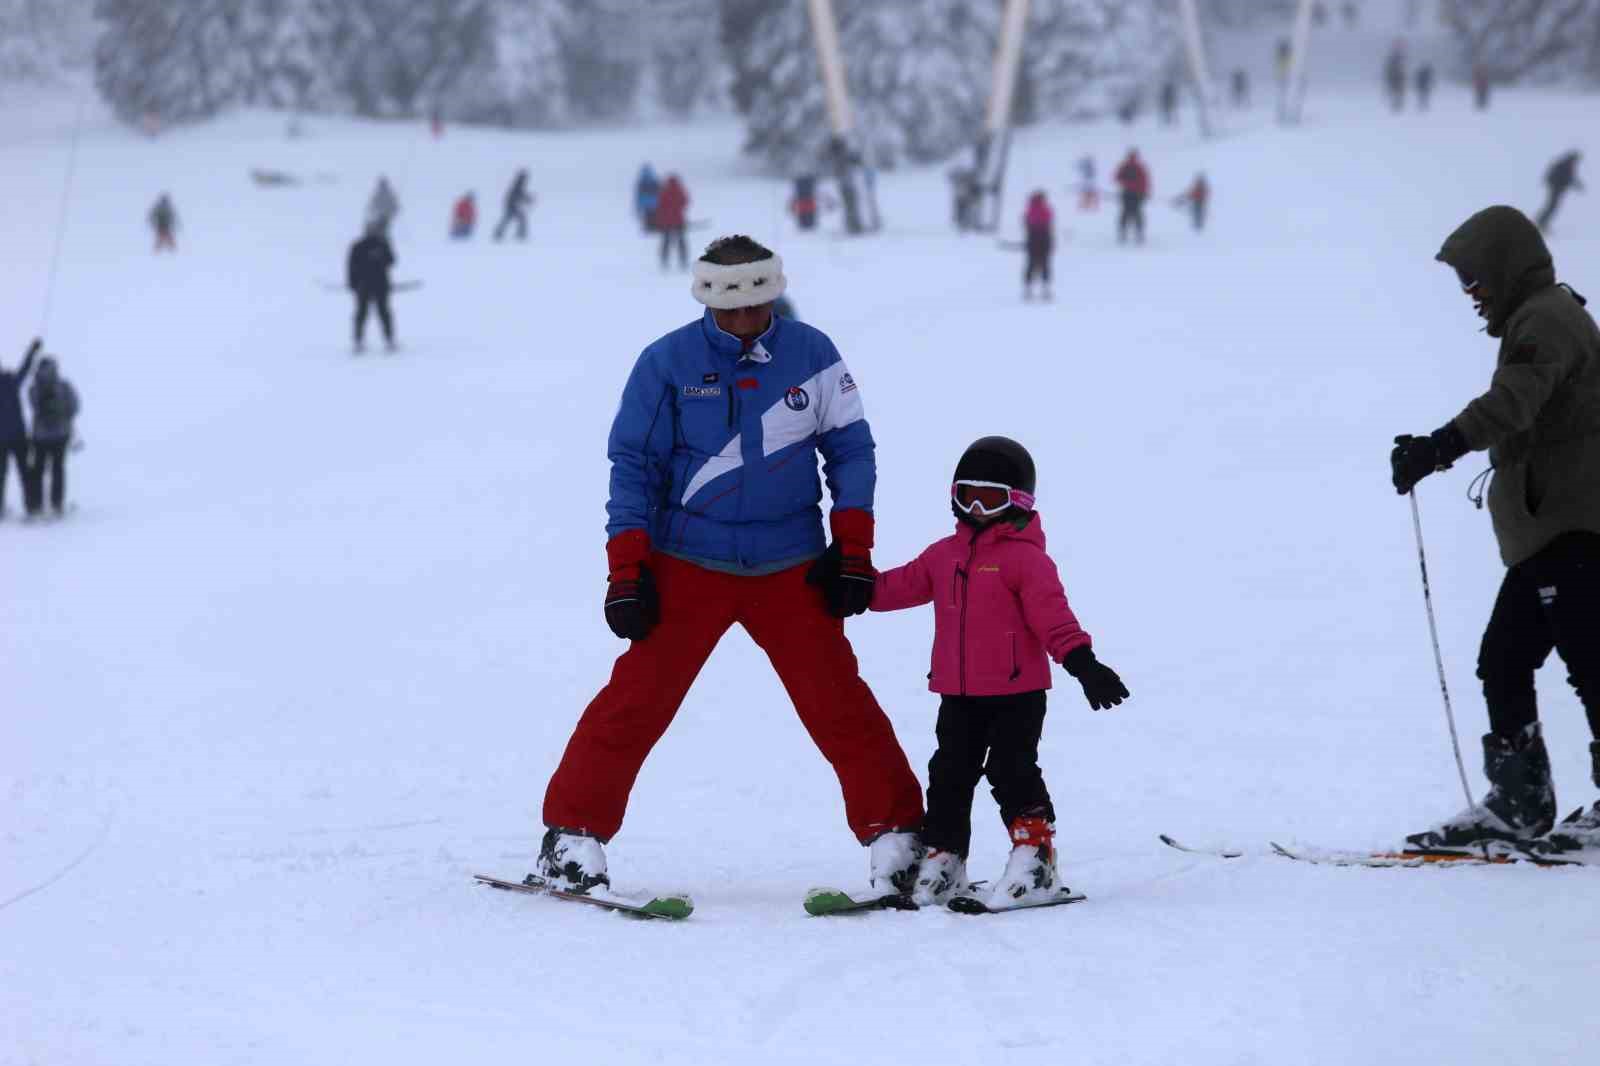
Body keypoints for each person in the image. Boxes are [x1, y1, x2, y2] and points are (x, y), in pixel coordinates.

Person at [535, 234, 925, 897]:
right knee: (636, 701)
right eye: (730, 310)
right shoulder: (666, 362)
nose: (744, 321)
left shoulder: (813, 354)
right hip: (690, 559)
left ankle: (900, 838)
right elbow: (634, 466)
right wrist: (627, 571)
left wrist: (852, 549)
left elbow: (852, 450)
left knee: (838, 701)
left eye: (757, 306)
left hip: (790, 563)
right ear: (708, 300)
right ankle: (571, 837)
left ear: (774, 294)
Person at [1391, 205, 1600, 857]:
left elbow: (1514, 401)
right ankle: (1519, 801)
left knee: (1578, 663)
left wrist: (1440, 446)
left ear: (1507, 268)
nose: (1472, 293)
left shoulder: (1545, 319)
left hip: (1573, 525)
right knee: (1508, 660)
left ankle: (1521, 803)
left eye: (1476, 278)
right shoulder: (1544, 315)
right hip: (1556, 527)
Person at [870, 437, 1129, 909]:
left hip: (1017, 694)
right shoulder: (942, 555)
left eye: (990, 498)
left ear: (1018, 502)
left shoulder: (1026, 560)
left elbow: (1054, 619)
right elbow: (894, 588)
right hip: (958, 694)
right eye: (967, 494)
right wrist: (849, 586)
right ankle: (945, 856)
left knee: (1011, 770)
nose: (976, 507)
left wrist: (1084, 664)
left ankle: (1036, 856)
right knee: (948, 774)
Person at [27, 354, 78, 517]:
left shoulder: (35, 387)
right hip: (60, 434)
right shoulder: (63, 386)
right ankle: (57, 504)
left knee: (38, 470)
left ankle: (37, 505)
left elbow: (33, 405)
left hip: (40, 436)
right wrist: (66, 418)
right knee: (58, 470)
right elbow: (74, 406)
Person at [1, 338, 39, 519]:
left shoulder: (11, 381)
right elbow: (25, 368)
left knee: (1, 474)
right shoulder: (11, 381)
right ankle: (31, 506)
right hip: (18, 436)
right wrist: (33, 351)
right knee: (25, 472)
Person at [346, 222, 397, 353]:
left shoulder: (383, 244)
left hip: (381, 285)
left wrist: (382, 255)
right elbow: (351, 266)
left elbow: (392, 261)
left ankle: (389, 339)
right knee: (362, 313)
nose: (373, 232)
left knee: (384, 313)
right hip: (363, 285)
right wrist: (352, 283)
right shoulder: (358, 246)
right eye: (371, 230)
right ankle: (358, 341)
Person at [1535, 151, 1583, 233]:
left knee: (1552, 206)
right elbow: (1568, 177)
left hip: (1558, 188)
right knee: (1552, 206)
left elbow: (1571, 178)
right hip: (1556, 188)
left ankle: (1541, 221)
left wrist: (1578, 185)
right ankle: (1541, 222)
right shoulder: (1566, 164)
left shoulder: (1568, 165)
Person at [1022, 190, 1054, 302]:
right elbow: (1049, 223)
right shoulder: (1046, 209)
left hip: (1032, 240)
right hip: (1044, 239)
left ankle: (1028, 289)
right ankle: (1045, 289)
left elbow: (1025, 223)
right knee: (1044, 265)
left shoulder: (1029, 210)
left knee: (1031, 264)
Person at [1114, 149, 1150, 245]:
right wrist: (1146, 193)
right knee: (1136, 213)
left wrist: (1125, 183)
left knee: (1126, 212)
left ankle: (1124, 232)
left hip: (1128, 193)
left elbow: (1116, 178)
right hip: (1136, 193)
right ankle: (1138, 233)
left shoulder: (1125, 166)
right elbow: (1145, 181)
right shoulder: (1139, 167)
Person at [654, 173, 690, 270]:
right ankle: (683, 260)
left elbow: (660, 205)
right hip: (679, 220)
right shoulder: (680, 190)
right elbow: (685, 202)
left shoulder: (664, 191)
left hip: (667, 221)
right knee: (681, 241)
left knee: (666, 242)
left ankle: (664, 261)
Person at [494, 169, 534, 242]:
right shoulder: (518, 184)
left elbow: (520, 194)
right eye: (526, 178)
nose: (526, 180)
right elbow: (519, 194)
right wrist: (528, 199)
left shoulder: (518, 184)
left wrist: (527, 199)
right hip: (511, 206)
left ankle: (499, 233)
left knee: (510, 219)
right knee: (517, 219)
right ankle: (520, 234)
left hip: (512, 205)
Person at [634, 164, 661, 232]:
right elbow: (660, 191)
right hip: (655, 202)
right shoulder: (655, 180)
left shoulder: (641, 182)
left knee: (648, 216)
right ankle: (655, 226)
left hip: (645, 202)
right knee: (654, 215)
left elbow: (638, 195)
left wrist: (638, 206)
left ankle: (649, 227)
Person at [1384, 41, 1407, 112]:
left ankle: (1397, 105)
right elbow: (1389, 72)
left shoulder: (1398, 65)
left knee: (1398, 93)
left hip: (1397, 80)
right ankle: (1397, 105)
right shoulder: (1394, 65)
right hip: (1396, 80)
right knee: (1397, 93)